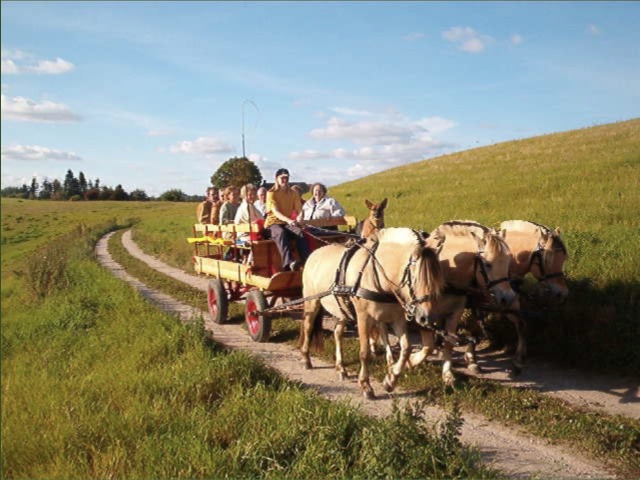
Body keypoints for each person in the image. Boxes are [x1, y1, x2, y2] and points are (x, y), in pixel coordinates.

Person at [265, 168, 309, 271]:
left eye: (287, 178)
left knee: (300, 232)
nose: (285, 180)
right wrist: (289, 220)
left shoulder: (293, 193)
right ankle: (288, 263)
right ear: (276, 179)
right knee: (280, 233)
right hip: (273, 224)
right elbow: (276, 212)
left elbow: (299, 209)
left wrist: (300, 218)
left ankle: (306, 261)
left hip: (286, 223)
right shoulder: (271, 193)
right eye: (282, 178)